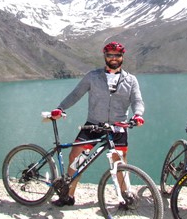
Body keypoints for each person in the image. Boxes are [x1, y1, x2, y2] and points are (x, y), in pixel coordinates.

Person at [49, 41, 145, 207]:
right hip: (93, 125)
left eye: (117, 55)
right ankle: (68, 195)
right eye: (110, 55)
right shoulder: (93, 76)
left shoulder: (131, 80)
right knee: (76, 157)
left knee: (119, 162)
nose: (113, 58)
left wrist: (138, 114)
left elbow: (137, 100)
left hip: (118, 127)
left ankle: (125, 196)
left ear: (122, 57)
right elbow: (76, 94)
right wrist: (60, 108)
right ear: (105, 57)